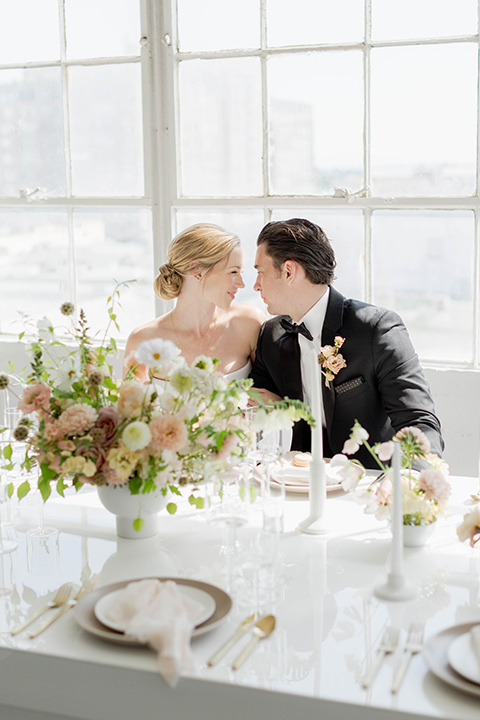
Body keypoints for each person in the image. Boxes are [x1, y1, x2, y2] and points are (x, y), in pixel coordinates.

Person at [249, 218, 444, 468]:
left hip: (369, 482)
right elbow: (252, 406)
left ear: (289, 271)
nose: (255, 285)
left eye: (260, 272)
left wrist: (410, 484)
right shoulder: (271, 335)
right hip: (299, 481)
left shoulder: (377, 329)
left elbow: (419, 422)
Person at [124, 223, 266, 381]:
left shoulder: (249, 324)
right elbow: (131, 405)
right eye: (233, 272)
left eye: (241, 272)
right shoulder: (144, 341)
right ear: (197, 271)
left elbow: (277, 397)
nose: (241, 283)